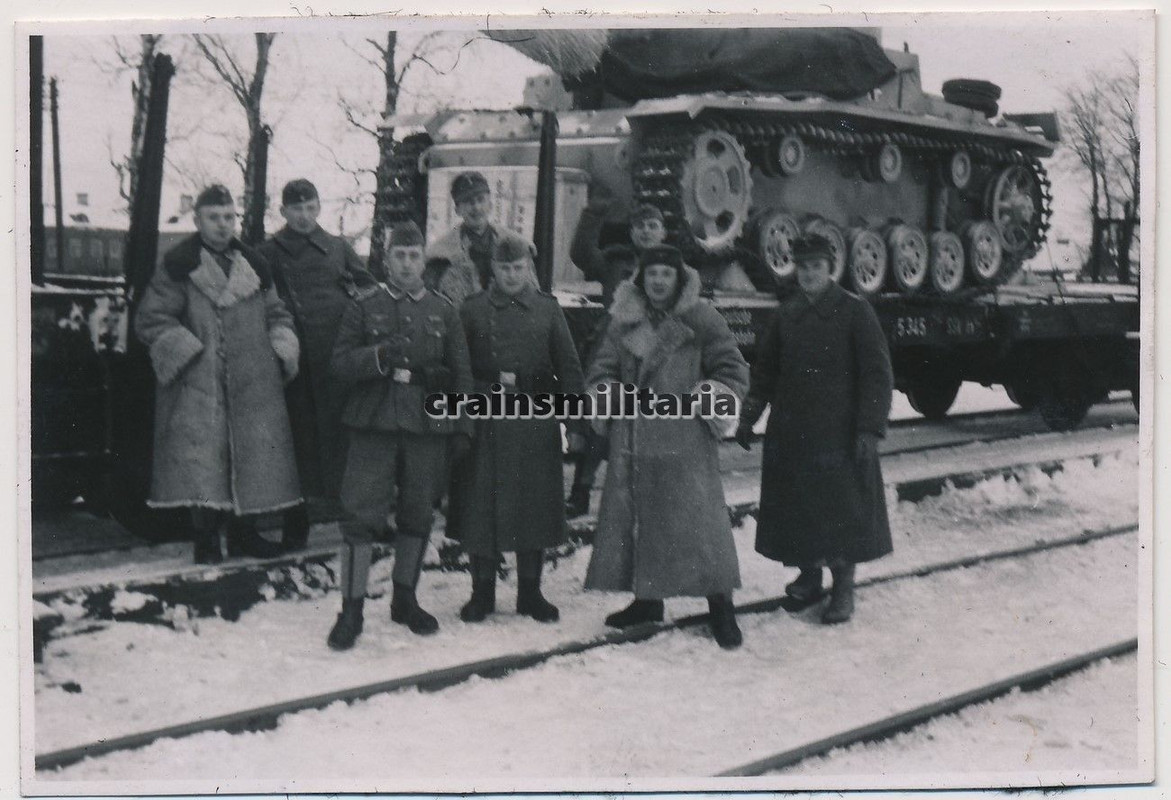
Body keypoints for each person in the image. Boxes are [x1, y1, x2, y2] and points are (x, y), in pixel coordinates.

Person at [584, 245, 750, 650]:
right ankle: (647, 601)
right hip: (635, 439)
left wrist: (711, 398)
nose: (658, 281)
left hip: (686, 439)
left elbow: (732, 369)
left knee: (702, 525)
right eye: (652, 273)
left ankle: (721, 606)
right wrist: (606, 392)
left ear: (678, 279)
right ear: (642, 279)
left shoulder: (702, 318)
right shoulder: (623, 319)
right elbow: (601, 367)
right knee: (641, 521)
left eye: (666, 274)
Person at [325, 220, 473, 650]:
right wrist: (378, 357)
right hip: (373, 423)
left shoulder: (444, 310)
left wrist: (462, 426)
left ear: (424, 260)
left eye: (414, 256)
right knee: (359, 516)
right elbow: (339, 364)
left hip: (427, 426)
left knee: (418, 512)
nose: (407, 265)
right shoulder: (364, 306)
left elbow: (462, 374)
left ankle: (405, 599)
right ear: (386, 260)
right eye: (399, 256)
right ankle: (350, 611)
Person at [135, 184, 301, 564]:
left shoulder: (255, 265)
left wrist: (281, 346)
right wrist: (187, 351)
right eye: (213, 217)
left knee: (253, 457)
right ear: (197, 220)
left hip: (253, 379)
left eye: (229, 217)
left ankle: (246, 535)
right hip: (199, 380)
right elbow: (151, 319)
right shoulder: (180, 265)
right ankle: (206, 539)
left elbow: (278, 313)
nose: (223, 225)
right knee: (203, 461)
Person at [735, 233, 894, 625]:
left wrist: (870, 430)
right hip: (792, 431)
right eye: (802, 267)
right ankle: (809, 576)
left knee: (841, 510)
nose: (808, 274)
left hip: (839, 434)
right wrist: (749, 416)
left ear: (830, 268)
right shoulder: (785, 314)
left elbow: (877, 376)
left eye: (816, 267)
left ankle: (843, 588)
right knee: (798, 507)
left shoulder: (856, 312)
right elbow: (766, 371)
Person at [449, 232, 587, 624]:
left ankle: (531, 593)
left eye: (518, 268)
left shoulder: (548, 310)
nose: (511, 275)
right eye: (504, 268)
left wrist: (575, 423)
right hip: (485, 415)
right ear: (492, 269)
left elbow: (570, 370)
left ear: (528, 268)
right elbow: (457, 368)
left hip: (534, 418)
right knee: (482, 505)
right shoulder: (472, 310)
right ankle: (482, 593)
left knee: (535, 506)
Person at [258, 178, 377, 551]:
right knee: (298, 446)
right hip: (296, 366)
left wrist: (354, 300)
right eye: (297, 209)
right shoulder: (268, 253)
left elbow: (370, 290)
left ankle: (363, 522)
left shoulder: (339, 248)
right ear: (283, 212)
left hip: (337, 362)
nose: (305, 217)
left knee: (349, 442)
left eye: (310, 208)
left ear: (319, 208)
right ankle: (298, 526)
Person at [564, 187, 667, 519]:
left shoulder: (673, 267)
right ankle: (580, 490)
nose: (646, 231)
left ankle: (646, 495)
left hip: (654, 354)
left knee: (650, 425)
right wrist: (593, 214)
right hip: (614, 351)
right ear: (632, 233)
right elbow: (581, 254)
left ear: (663, 231)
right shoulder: (616, 261)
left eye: (652, 225)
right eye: (640, 226)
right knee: (597, 422)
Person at [429, 171, 503, 306]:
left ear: (490, 204)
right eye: (469, 202)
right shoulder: (441, 254)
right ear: (457, 209)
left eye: (481, 199)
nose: (477, 208)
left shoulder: (510, 242)